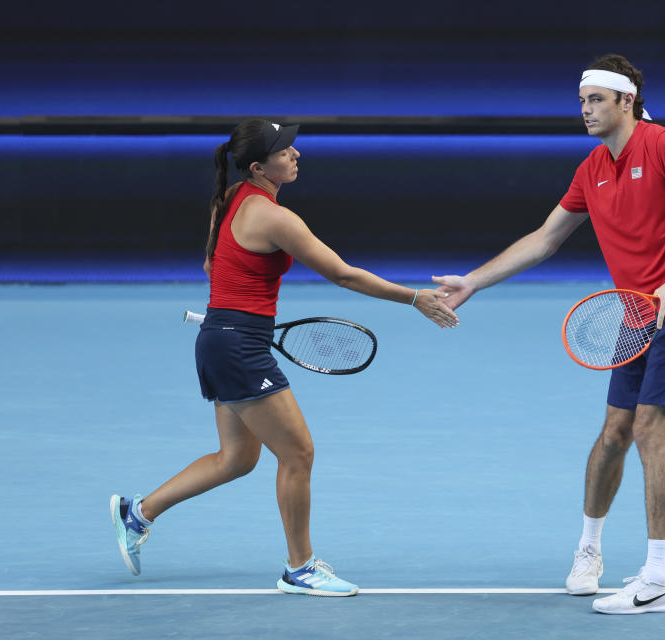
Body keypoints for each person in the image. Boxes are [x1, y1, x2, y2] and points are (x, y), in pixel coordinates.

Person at [433, 54, 665, 614]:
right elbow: (545, 238)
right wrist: (473, 282)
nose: (585, 111)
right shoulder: (592, 167)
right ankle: (588, 550)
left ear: (626, 100)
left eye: (596, 100)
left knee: (651, 430)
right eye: (581, 102)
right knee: (614, 434)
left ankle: (658, 578)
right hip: (634, 313)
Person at [110, 118, 459, 596]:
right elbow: (343, 275)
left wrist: (239, 311)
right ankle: (300, 568)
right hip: (238, 348)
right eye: (285, 150)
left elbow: (213, 264)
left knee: (236, 459)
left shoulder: (228, 197)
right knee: (298, 452)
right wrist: (413, 298)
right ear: (259, 166)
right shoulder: (276, 217)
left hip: (219, 338)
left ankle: (138, 512)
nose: (296, 155)